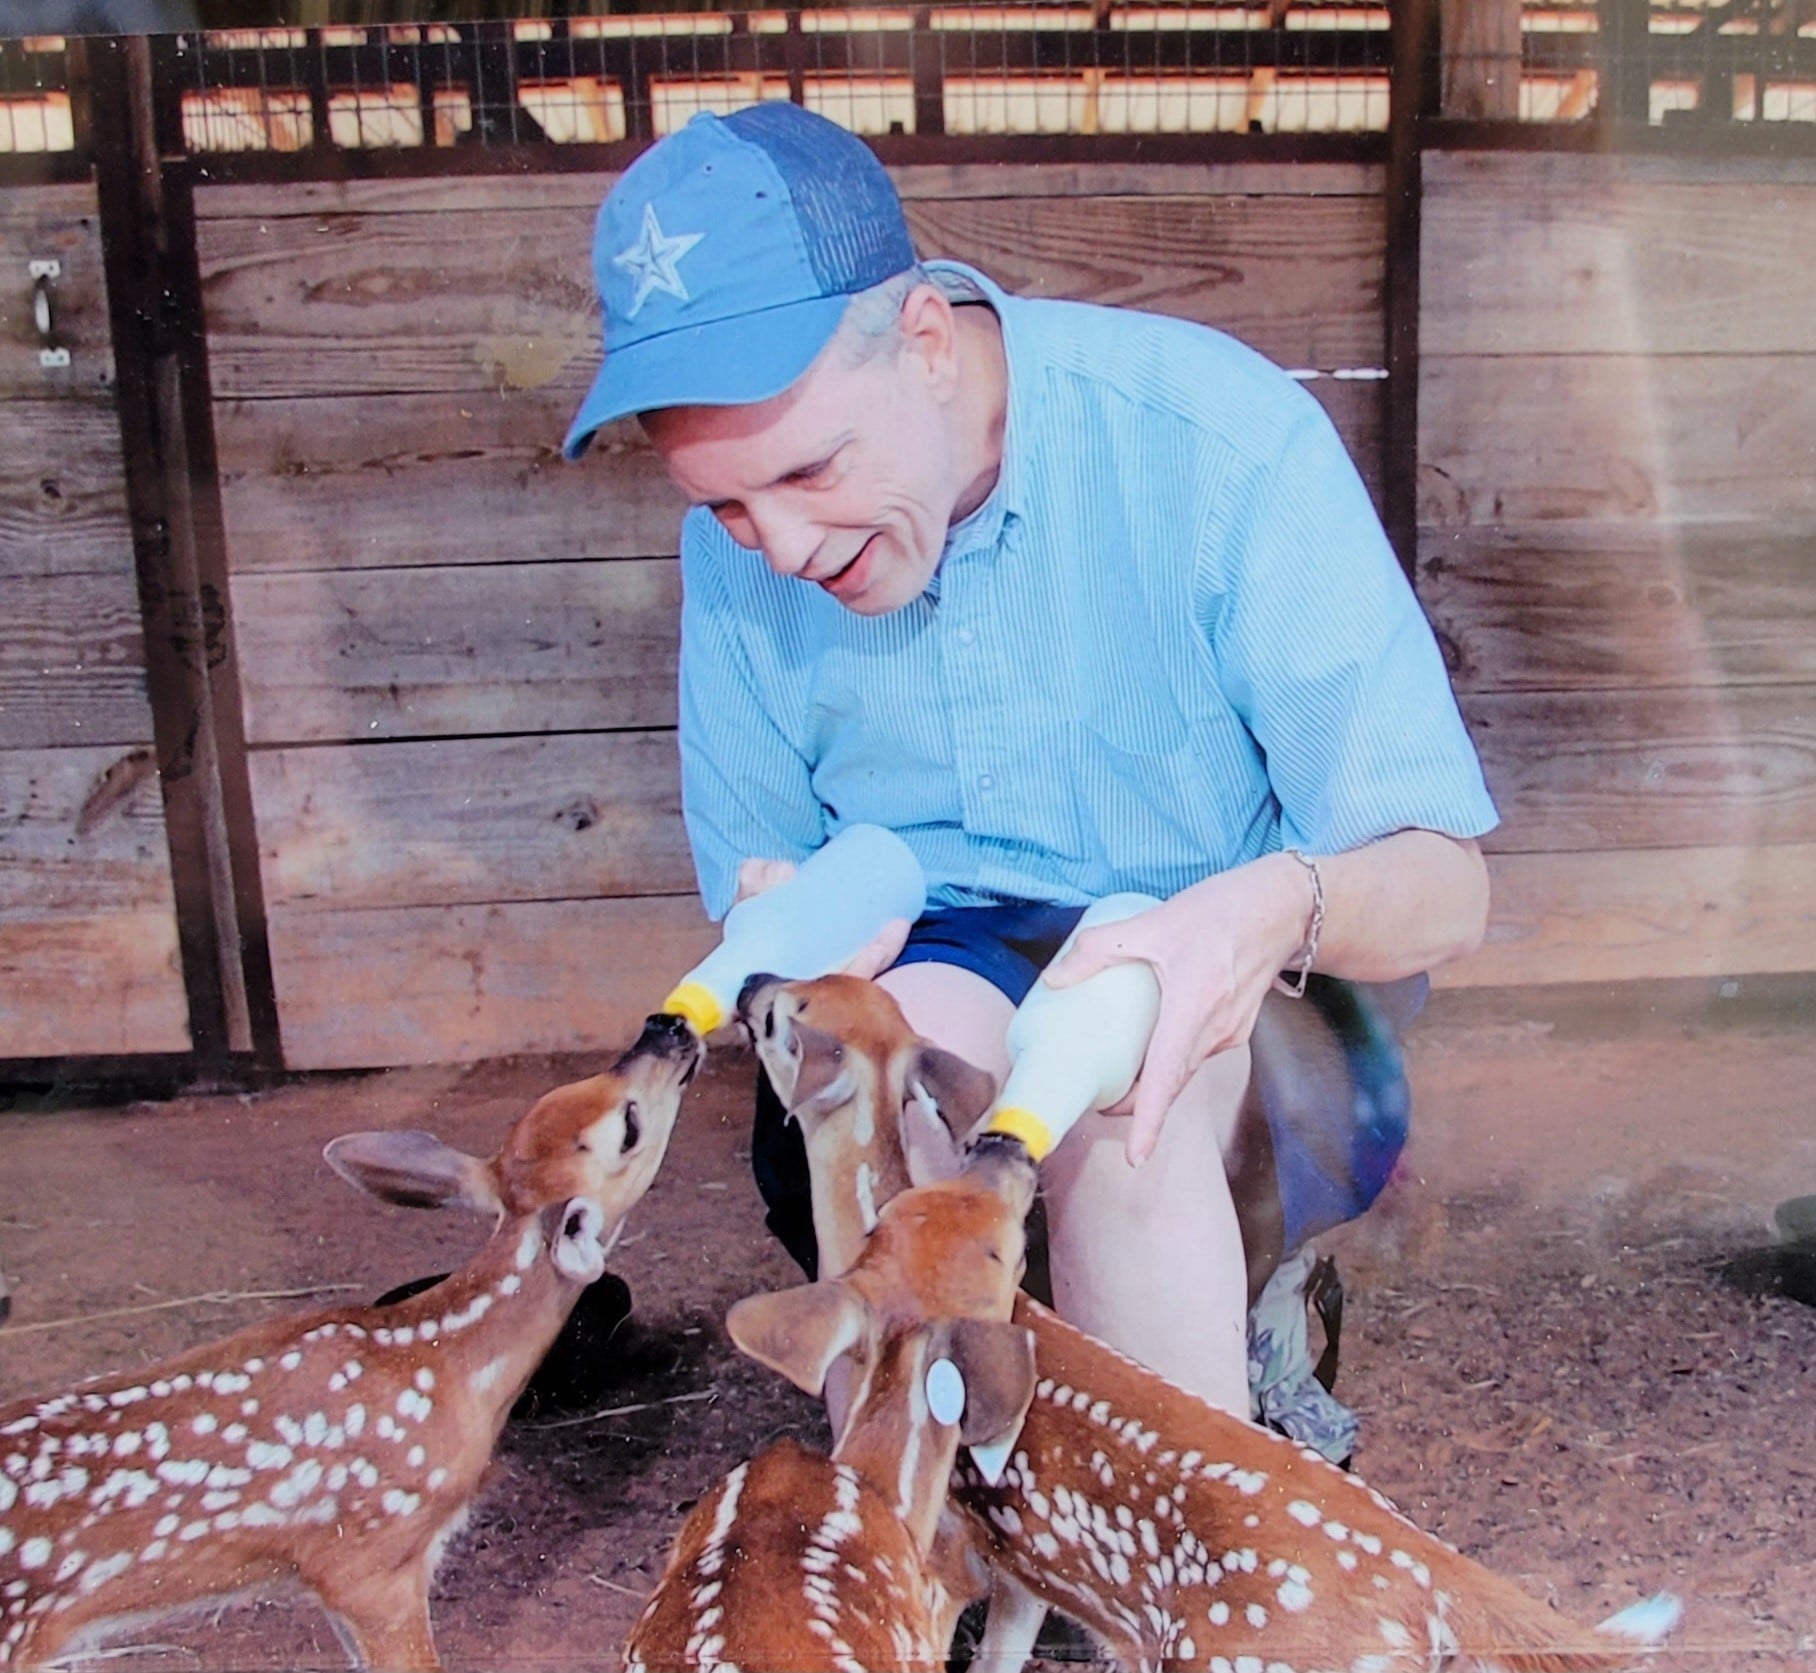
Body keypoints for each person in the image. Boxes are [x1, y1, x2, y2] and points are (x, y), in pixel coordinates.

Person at [563, 102, 1497, 1456]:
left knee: (1130, 1087)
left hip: (1235, 957)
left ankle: (1191, 1538)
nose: (773, 546)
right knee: (878, 1068)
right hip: (950, 948)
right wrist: (797, 965)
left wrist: (1255, 914)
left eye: (811, 469)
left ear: (928, 345)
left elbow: (1445, 884)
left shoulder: (1217, 440)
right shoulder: (750, 559)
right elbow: (764, 898)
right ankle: (906, 1535)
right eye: (724, 506)